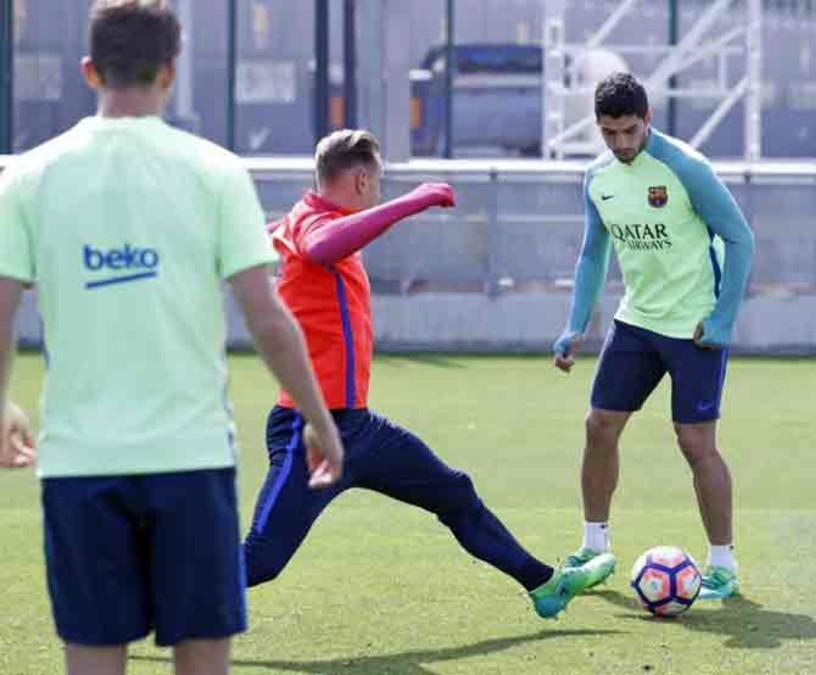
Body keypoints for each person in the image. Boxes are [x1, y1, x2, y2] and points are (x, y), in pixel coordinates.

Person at [0, 2, 344, 674]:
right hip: (191, 459)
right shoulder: (214, 171)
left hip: (80, 463)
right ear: (170, 71)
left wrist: (1, 401)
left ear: (90, 71)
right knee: (202, 657)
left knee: (94, 656)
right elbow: (267, 317)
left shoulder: (27, 177)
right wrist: (317, 414)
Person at [242, 128, 614, 619]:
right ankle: (129, 600)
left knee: (454, 492)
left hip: (358, 428)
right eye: (378, 183)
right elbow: (317, 248)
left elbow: (286, 241)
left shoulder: (303, 217)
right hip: (308, 433)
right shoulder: (315, 224)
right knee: (263, 559)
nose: (380, 193)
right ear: (358, 181)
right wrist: (411, 203)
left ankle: (545, 585)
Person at [553, 72, 755, 599]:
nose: (620, 144)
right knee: (599, 426)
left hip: (694, 324)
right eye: (608, 133)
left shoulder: (686, 168)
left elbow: (740, 238)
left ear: (648, 121)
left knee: (694, 442)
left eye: (629, 131)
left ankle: (723, 566)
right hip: (637, 321)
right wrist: (576, 325)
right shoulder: (597, 178)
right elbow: (593, 253)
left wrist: (723, 319)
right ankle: (594, 546)